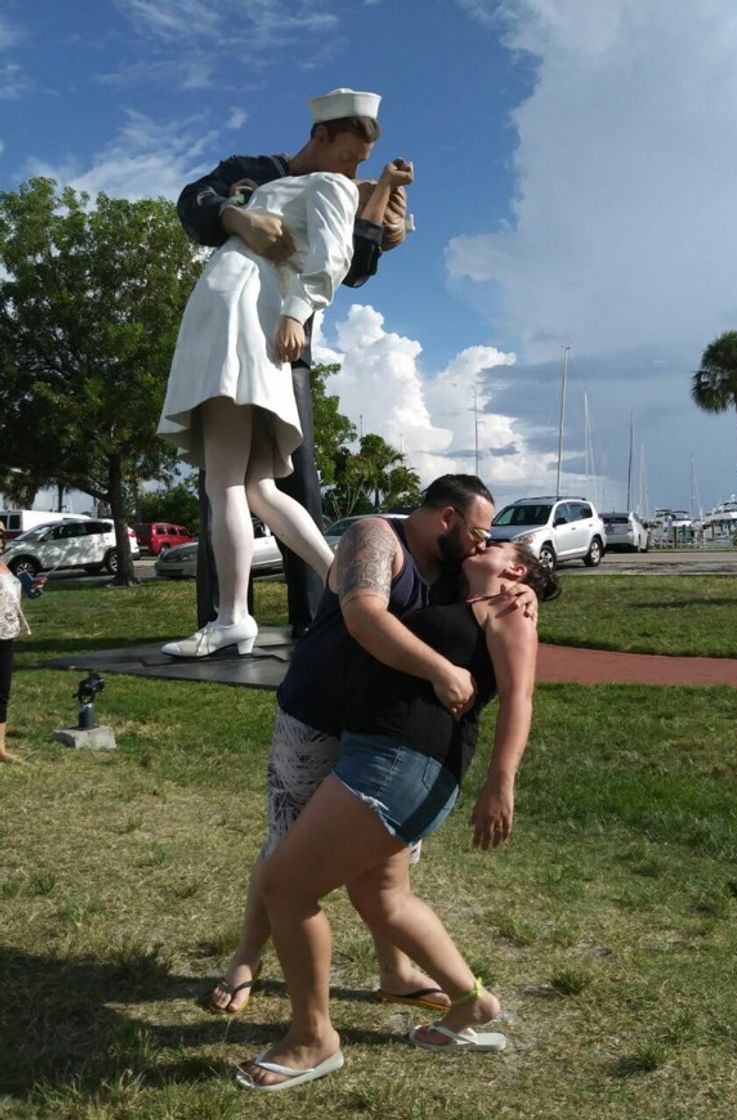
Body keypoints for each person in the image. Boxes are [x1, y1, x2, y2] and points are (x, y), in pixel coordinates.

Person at [234, 540, 557, 1092]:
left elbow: (520, 698)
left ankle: (314, 1039)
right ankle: (471, 1003)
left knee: (286, 889)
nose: (484, 541)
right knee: (383, 897)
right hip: (382, 754)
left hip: (401, 762)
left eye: (498, 541)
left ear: (517, 568)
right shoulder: (464, 599)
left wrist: (501, 784)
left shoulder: (509, 609)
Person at [208, 474, 508, 1016]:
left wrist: (520, 587)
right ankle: (246, 960)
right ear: (447, 518)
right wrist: (441, 671)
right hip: (317, 718)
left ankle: (395, 970)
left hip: (382, 738)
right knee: (285, 846)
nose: (482, 544)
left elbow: (498, 593)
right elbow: (364, 615)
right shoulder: (375, 537)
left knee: (387, 863)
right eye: (478, 533)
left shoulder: (451, 570)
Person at [158, 141, 412, 657]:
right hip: (257, 328)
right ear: (323, 139)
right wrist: (235, 216)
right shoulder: (255, 170)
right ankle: (337, 586)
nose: (356, 167)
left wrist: (383, 226)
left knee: (234, 482)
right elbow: (193, 203)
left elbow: (346, 261)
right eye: (351, 154)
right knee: (257, 486)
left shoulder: (334, 187)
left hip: (259, 333)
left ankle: (238, 616)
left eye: (363, 161)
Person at [0, 555, 46, 763]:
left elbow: (9, 598)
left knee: (2, 693)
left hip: (6, 634)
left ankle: (0, 749)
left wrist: (29, 590)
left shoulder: (4, 566)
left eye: (2, 536)